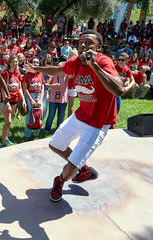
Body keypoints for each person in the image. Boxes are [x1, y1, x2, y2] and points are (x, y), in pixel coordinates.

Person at [24, 30, 124, 202]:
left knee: (71, 167)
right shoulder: (75, 61)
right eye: (81, 42)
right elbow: (57, 69)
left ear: (98, 47)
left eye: (88, 43)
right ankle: (84, 169)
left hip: (97, 124)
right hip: (80, 116)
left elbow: (119, 89)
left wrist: (95, 66)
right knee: (55, 144)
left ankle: (60, 180)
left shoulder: (103, 61)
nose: (83, 45)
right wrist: (36, 68)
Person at [1, 55, 26, 147]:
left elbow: (19, 87)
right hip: (8, 100)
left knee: (10, 120)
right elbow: (2, 88)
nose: (15, 63)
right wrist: (6, 101)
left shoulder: (17, 73)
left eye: (16, 62)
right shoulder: (5, 73)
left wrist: (23, 100)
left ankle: (6, 138)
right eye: (13, 62)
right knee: (8, 121)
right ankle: (3, 142)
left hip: (15, 99)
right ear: (9, 63)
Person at [44, 57, 68, 134]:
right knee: (51, 115)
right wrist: (53, 85)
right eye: (59, 67)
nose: (60, 69)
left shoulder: (67, 76)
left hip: (63, 99)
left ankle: (58, 130)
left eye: (62, 67)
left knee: (61, 117)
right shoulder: (53, 75)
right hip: (53, 99)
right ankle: (47, 129)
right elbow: (46, 85)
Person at [22, 57, 45, 139]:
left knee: (39, 115)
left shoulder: (40, 74)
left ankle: (36, 133)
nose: (36, 64)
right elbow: (25, 89)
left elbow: (42, 88)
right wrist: (31, 100)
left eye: (37, 62)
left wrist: (40, 100)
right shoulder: (27, 74)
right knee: (30, 116)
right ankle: (27, 135)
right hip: (30, 96)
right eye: (34, 62)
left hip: (39, 95)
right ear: (31, 64)